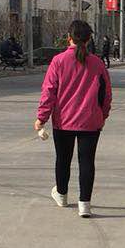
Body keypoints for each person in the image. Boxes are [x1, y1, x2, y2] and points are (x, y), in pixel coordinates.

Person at [34, 18, 112, 219]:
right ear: (88, 39)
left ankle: (61, 194)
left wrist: (41, 118)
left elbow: (49, 92)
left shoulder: (58, 61)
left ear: (69, 37)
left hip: (64, 120)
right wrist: (103, 115)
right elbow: (106, 93)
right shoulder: (97, 63)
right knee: (87, 162)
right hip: (90, 121)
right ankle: (84, 204)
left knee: (63, 159)